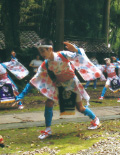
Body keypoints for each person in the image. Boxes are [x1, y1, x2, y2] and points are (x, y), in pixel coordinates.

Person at [16, 39, 102, 139]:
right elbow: (35, 79)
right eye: (40, 51)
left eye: (43, 51)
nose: (41, 53)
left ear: (50, 49)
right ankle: (48, 129)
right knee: (49, 102)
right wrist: (22, 94)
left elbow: (79, 57)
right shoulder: (46, 64)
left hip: (72, 83)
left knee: (80, 108)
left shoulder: (63, 55)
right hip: (60, 85)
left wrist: (76, 49)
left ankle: (95, 120)